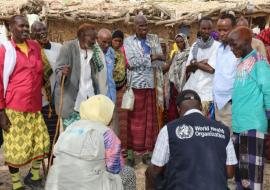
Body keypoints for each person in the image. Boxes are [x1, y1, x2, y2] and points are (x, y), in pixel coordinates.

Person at [145, 90, 237, 190]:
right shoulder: (223, 130)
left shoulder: (168, 129)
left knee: (150, 172)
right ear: (201, 107)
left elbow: (156, 169)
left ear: (178, 109)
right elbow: (230, 173)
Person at [0, 15, 50, 190]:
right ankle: (16, 184)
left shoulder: (35, 47)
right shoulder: (5, 49)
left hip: (35, 106)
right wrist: (1, 112)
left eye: (27, 26)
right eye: (21, 26)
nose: (25, 29)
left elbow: (44, 71)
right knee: (15, 149)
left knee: (41, 142)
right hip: (14, 107)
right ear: (11, 27)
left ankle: (34, 177)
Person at [45, 95, 136, 190]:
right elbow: (114, 169)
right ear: (106, 113)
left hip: (55, 184)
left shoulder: (71, 127)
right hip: (89, 185)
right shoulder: (107, 134)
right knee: (128, 173)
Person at [228, 26, 270, 190]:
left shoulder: (259, 61)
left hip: (253, 126)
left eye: (234, 44)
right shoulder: (241, 62)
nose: (231, 48)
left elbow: (268, 90)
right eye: (229, 45)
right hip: (239, 126)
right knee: (241, 177)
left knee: (252, 178)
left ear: (246, 40)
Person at [124, 15, 164, 164]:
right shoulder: (128, 41)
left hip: (151, 85)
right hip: (135, 86)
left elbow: (161, 60)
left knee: (149, 122)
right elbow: (132, 62)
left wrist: (154, 58)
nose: (144, 29)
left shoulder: (154, 39)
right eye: (141, 26)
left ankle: (147, 153)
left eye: (146, 26)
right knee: (133, 122)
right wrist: (152, 56)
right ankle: (130, 154)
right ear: (134, 27)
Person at [54, 23, 107, 129]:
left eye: (95, 39)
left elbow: (101, 73)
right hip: (72, 102)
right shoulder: (68, 47)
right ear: (82, 37)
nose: (94, 41)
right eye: (92, 39)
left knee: (87, 136)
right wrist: (63, 73)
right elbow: (58, 71)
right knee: (71, 137)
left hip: (89, 100)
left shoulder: (95, 50)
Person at [31, 21, 62, 153]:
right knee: (38, 137)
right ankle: (38, 169)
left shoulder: (58, 47)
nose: (42, 32)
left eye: (44, 29)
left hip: (54, 99)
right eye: (38, 30)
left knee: (53, 134)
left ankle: (52, 166)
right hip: (37, 99)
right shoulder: (31, 50)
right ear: (32, 34)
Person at [183, 17, 220, 118]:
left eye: (209, 29)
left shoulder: (217, 46)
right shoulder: (195, 46)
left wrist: (196, 63)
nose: (206, 31)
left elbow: (211, 69)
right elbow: (187, 69)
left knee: (205, 123)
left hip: (207, 92)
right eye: (204, 28)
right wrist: (202, 63)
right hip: (193, 89)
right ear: (199, 29)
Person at [213, 13, 238, 133]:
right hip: (219, 105)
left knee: (232, 142)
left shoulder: (239, 50)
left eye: (225, 30)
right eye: (219, 30)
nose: (221, 33)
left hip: (232, 105)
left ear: (234, 29)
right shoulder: (220, 49)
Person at [97, 28, 119, 135]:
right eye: (103, 42)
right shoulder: (94, 53)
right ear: (97, 40)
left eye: (109, 43)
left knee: (111, 128)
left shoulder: (111, 52)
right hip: (99, 96)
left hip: (111, 95)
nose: (106, 45)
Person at [166, 33, 189, 121]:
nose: (180, 44)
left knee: (185, 106)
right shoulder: (175, 55)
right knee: (174, 110)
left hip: (186, 84)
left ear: (185, 41)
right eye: (177, 42)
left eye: (181, 42)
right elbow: (171, 70)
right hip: (175, 86)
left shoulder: (189, 53)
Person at [111, 30, 128, 147]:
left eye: (120, 41)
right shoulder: (108, 53)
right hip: (110, 89)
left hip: (121, 89)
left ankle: (121, 146)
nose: (117, 43)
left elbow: (124, 69)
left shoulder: (121, 53)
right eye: (115, 40)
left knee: (121, 120)